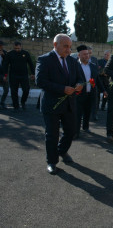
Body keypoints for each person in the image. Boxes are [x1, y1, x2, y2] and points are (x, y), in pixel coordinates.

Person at [35, 34, 84, 175]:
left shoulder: (72, 61)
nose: (69, 50)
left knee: (71, 131)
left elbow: (80, 77)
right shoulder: (44, 59)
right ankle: (51, 161)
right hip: (52, 104)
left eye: (70, 47)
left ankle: (62, 151)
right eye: (65, 46)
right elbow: (40, 81)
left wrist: (79, 84)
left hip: (69, 103)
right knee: (52, 134)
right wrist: (62, 89)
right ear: (55, 45)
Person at [75, 45, 106, 139]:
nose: (87, 56)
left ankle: (86, 127)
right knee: (78, 113)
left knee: (87, 112)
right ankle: (76, 131)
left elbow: (97, 80)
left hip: (90, 94)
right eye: (84, 54)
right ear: (79, 55)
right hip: (79, 94)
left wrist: (103, 90)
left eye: (88, 54)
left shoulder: (93, 66)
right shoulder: (75, 65)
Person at [3, 41, 35, 111]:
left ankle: (23, 102)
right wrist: (5, 75)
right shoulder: (10, 54)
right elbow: (5, 65)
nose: (17, 50)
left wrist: (33, 73)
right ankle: (16, 106)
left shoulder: (25, 53)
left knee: (26, 90)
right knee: (14, 91)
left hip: (24, 75)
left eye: (18, 48)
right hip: (13, 75)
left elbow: (30, 63)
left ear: (21, 47)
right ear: (13, 47)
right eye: (15, 48)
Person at [88, 46, 99, 121]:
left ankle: (94, 115)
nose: (89, 54)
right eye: (88, 53)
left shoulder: (94, 59)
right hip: (84, 84)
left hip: (93, 84)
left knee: (94, 100)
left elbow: (97, 70)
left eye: (90, 53)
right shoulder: (79, 60)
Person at [0, 40, 9, 109]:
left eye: (2, 46)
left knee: (6, 89)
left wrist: (3, 55)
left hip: (3, 74)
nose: (1, 47)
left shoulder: (5, 53)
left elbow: (7, 64)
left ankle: (2, 102)